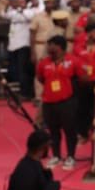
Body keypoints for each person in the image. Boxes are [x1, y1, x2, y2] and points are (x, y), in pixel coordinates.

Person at [35, 37, 79, 170]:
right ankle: (56, 156)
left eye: (51, 45)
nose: (48, 48)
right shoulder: (43, 63)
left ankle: (71, 156)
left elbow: (78, 79)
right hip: (49, 102)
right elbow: (41, 78)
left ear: (60, 47)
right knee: (53, 130)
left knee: (69, 130)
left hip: (67, 102)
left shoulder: (73, 61)